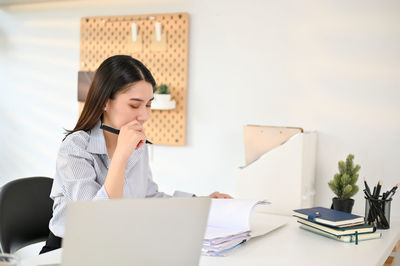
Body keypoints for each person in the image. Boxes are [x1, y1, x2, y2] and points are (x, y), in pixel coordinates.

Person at [40, 55, 231, 254]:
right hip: (69, 250)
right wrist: (121, 156)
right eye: (134, 105)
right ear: (105, 102)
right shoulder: (75, 148)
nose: (144, 116)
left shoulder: (136, 145)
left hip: (114, 247)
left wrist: (200, 203)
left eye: (148, 105)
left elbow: (148, 197)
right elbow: (97, 221)